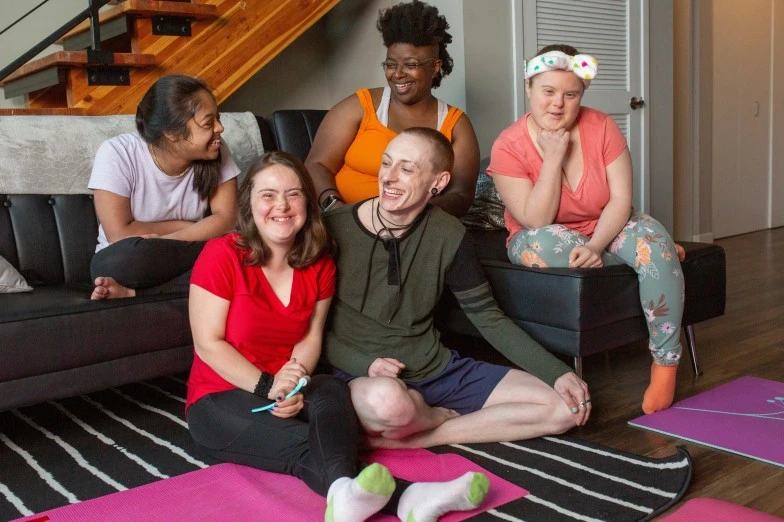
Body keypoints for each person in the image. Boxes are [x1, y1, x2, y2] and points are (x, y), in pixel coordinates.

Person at [185, 152, 490, 522]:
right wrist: (270, 387)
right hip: (219, 398)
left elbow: (310, 338)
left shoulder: (320, 264)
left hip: (288, 390)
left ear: (307, 204)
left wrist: (293, 382)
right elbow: (208, 343)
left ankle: (351, 499)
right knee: (306, 448)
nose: (281, 206)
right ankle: (411, 496)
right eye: (268, 195)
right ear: (249, 202)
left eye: (293, 194)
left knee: (329, 388)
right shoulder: (221, 254)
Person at [323, 127, 591, 450]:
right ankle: (420, 419)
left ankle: (427, 432)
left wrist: (557, 373)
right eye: (386, 163)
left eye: (406, 169)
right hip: (360, 376)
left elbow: (488, 317)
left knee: (567, 408)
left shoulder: (450, 234)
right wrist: (364, 364)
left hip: (436, 369)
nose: (389, 177)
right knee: (389, 404)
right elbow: (311, 329)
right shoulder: (333, 228)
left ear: (438, 183)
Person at [487, 44, 686, 414]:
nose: (557, 104)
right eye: (547, 91)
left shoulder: (602, 126)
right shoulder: (507, 146)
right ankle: (652, 259)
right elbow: (535, 220)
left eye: (570, 94)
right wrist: (552, 158)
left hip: (604, 225)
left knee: (648, 239)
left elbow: (620, 200)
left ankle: (665, 364)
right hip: (543, 237)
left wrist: (596, 246)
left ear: (582, 95)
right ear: (528, 87)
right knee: (542, 244)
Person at [305, 0, 480, 218]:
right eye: (390, 64)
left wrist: (404, 216)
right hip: (344, 221)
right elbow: (317, 164)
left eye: (410, 65)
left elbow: (461, 196)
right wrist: (337, 209)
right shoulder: (360, 105)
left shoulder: (455, 125)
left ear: (435, 67)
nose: (397, 74)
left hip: (414, 230)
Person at [88, 74, 239, 300]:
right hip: (136, 259)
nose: (220, 128)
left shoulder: (215, 148)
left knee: (244, 251)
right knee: (124, 260)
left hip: (184, 252)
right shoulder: (117, 153)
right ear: (172, 133)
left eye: (217, 118)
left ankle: (135, 293)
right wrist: (190, 227)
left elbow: (227, 218)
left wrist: (166, 240)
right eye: (209, 122)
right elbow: (119, 234)